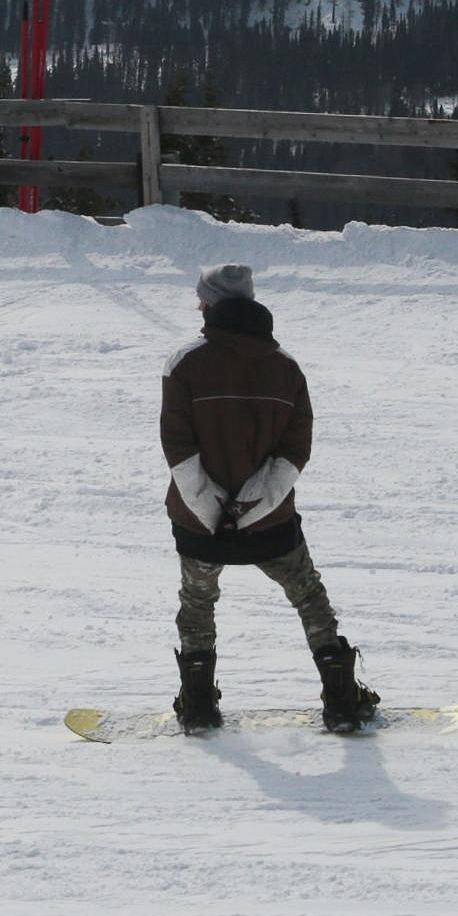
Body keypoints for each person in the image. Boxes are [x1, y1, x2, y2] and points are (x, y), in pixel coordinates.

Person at [160, 262, 379, 735]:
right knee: (308, 596)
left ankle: (198, 706)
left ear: (211, 304)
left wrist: (213, 508)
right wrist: (251, 506)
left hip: (201, 524)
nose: (197, 306)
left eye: (201, 299)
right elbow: (295, 450)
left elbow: (179, 448)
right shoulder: (286, 368)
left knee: (197, 603)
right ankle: (342, 700)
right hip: (271, 521)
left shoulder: (185, 363)